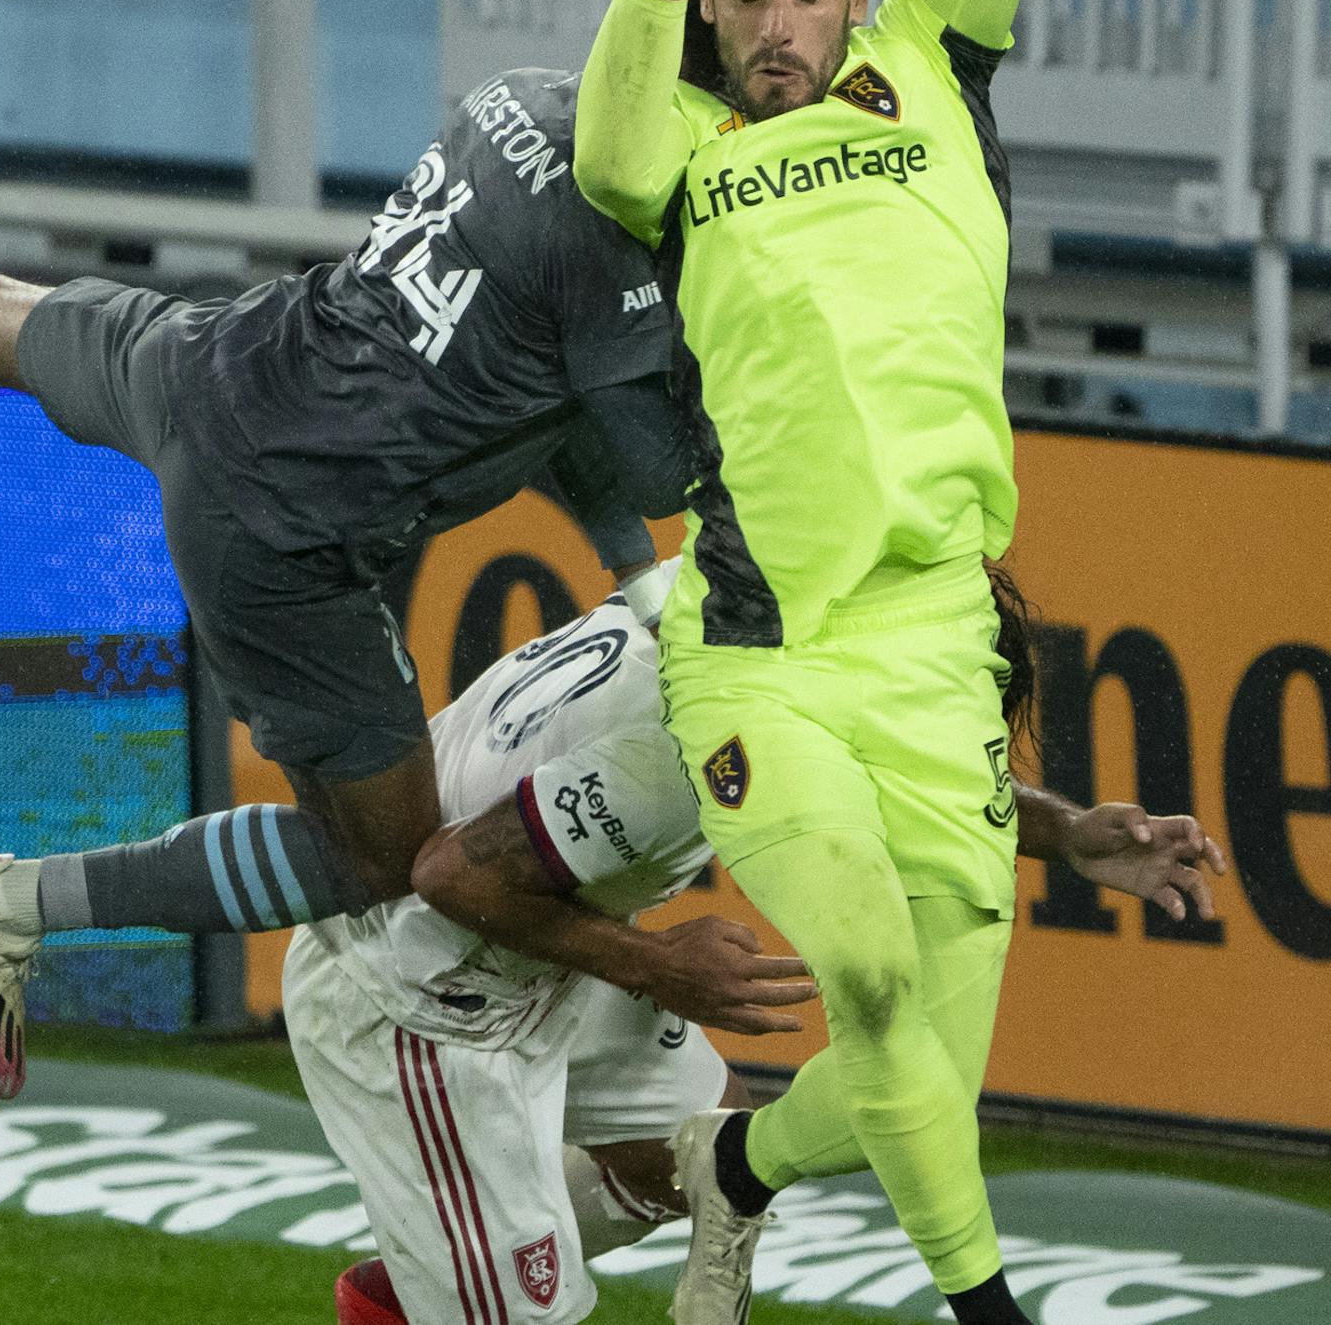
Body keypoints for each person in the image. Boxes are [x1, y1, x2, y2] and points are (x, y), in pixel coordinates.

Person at [0, 61, 690, 1098]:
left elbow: (555, 385)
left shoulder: (524, 100)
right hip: (283, 529)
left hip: (209, 354)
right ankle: (7, 901)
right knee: (388, 859)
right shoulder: (629, 231)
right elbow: (652, 458)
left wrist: (639, 573)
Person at [573, 0, 1048, 1324]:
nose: (777, 27)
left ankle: (727, 1169)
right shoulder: (682, 152)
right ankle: (985, 1304)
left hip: (942, 653)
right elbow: (606, 155)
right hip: (766, 651)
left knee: (923, 1074)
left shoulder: (935, 66)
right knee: (861, 976)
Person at [305, 567, 1228, 1325]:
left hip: (541, 922)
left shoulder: (764, 599)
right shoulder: (678, 750)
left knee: (684, 1158)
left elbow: (896, 762)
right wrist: (657, 965)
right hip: (420, 979)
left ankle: (439, 1274)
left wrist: (1065, 832)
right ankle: (460, 1281)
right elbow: (448, 875)